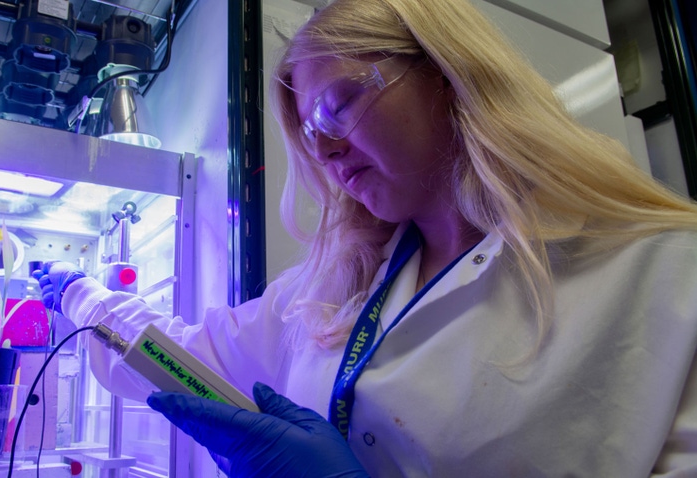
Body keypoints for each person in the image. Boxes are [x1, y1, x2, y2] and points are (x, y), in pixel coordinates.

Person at [34, 0, 697, 475]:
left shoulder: (664, 271)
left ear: (446, 72)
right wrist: (80, 295)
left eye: (337, 108)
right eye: (310, 136)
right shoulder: (330, 294)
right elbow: (182, 358)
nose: (324, 151)